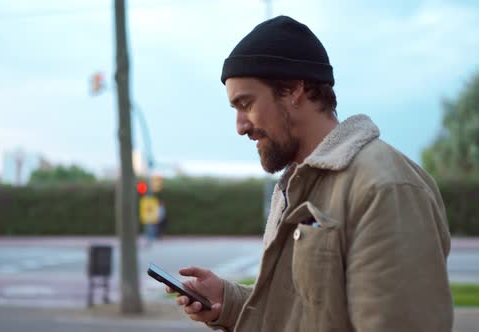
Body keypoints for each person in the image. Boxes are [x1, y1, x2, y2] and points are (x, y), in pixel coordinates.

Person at [167, 15, 453, 331]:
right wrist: (229, 302)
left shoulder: (385, 187)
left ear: (294, 89)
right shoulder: (294, 183)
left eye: (246, 104)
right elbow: (302, 313)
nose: (240, 126)